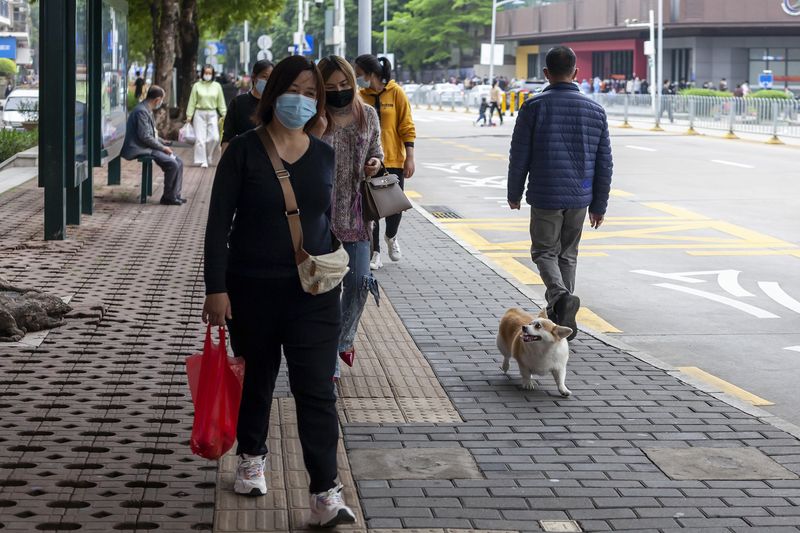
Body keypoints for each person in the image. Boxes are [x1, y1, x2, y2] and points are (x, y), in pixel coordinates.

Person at [202, 55, 357, 528]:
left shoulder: (325, 153)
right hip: (251, 288)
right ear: (274, 94)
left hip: (313, 293)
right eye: (296, 89)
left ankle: (324, 494)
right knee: (259, 379)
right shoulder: (244, 151)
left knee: (316, 389)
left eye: (313, 93)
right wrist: (217, 288)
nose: (304, 100)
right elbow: (216, 225)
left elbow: (322, 220)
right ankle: (252, 458)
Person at [507, 46, 613, 341]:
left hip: (545, 194)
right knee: (567, 255)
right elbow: (604, 162)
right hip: (580, 196)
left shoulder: (533, 106)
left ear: (546, 73)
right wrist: (599, 204)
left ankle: (559, 297)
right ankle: (559, 315)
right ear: (576, 73)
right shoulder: (596, 110)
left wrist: (514, 191)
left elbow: (519, 155)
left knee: (543, 251)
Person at [316, 55, 383, 378]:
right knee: (325, 291)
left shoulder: (367, 115)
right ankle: (328, 359)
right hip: (318, 218)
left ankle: (343, 340)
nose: (339, 91)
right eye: (330, 87)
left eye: (344, 85)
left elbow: (377, 153)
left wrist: (375, 164)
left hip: (356, 215)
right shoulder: (313, 117)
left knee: (358, 283)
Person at [355, 54, 416, 270]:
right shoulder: (360, 96)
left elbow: (406, 125)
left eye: (359, 72)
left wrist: (410, 156)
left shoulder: (396, 92)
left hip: (393, 159)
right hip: (369, 161)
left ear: (370, 73)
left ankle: (392, 236)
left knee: (393, 207)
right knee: (372, 209)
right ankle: (375, 253)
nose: (357, 76)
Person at [121, 85, 185, 206]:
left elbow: (150, 134)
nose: (161, 103)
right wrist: (162, 147)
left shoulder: (146, 109)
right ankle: (168, 197)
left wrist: (161, 141)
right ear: (157, 99)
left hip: (147, 145)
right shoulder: (141, 111)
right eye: (161, 100)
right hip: (140, 147)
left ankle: (174, 194)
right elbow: (145, 136)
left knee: (179, 162)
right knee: (172, 164)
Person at [221, 60, 273, 151]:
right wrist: (224, 163)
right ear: (253, 77)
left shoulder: (276, 105)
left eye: (271, 78)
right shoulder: (238, 103)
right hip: (243, 158)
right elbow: (227, 137)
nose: (268, 81)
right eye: (264, 77)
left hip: (270, 158)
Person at [186, 65, 227, 168]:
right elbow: (192, 101)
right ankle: (202, 160)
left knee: (214, 137)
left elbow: (221, 102)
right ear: (202, 73)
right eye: (206, 73)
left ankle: (209, 155)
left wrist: (224, 114)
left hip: (213, 113)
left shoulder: (217, 86)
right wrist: (189, 115)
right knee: (200, 139)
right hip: (199, 113)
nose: (207, 75)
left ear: (213, 74)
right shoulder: (197, 86)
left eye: (210, 73)